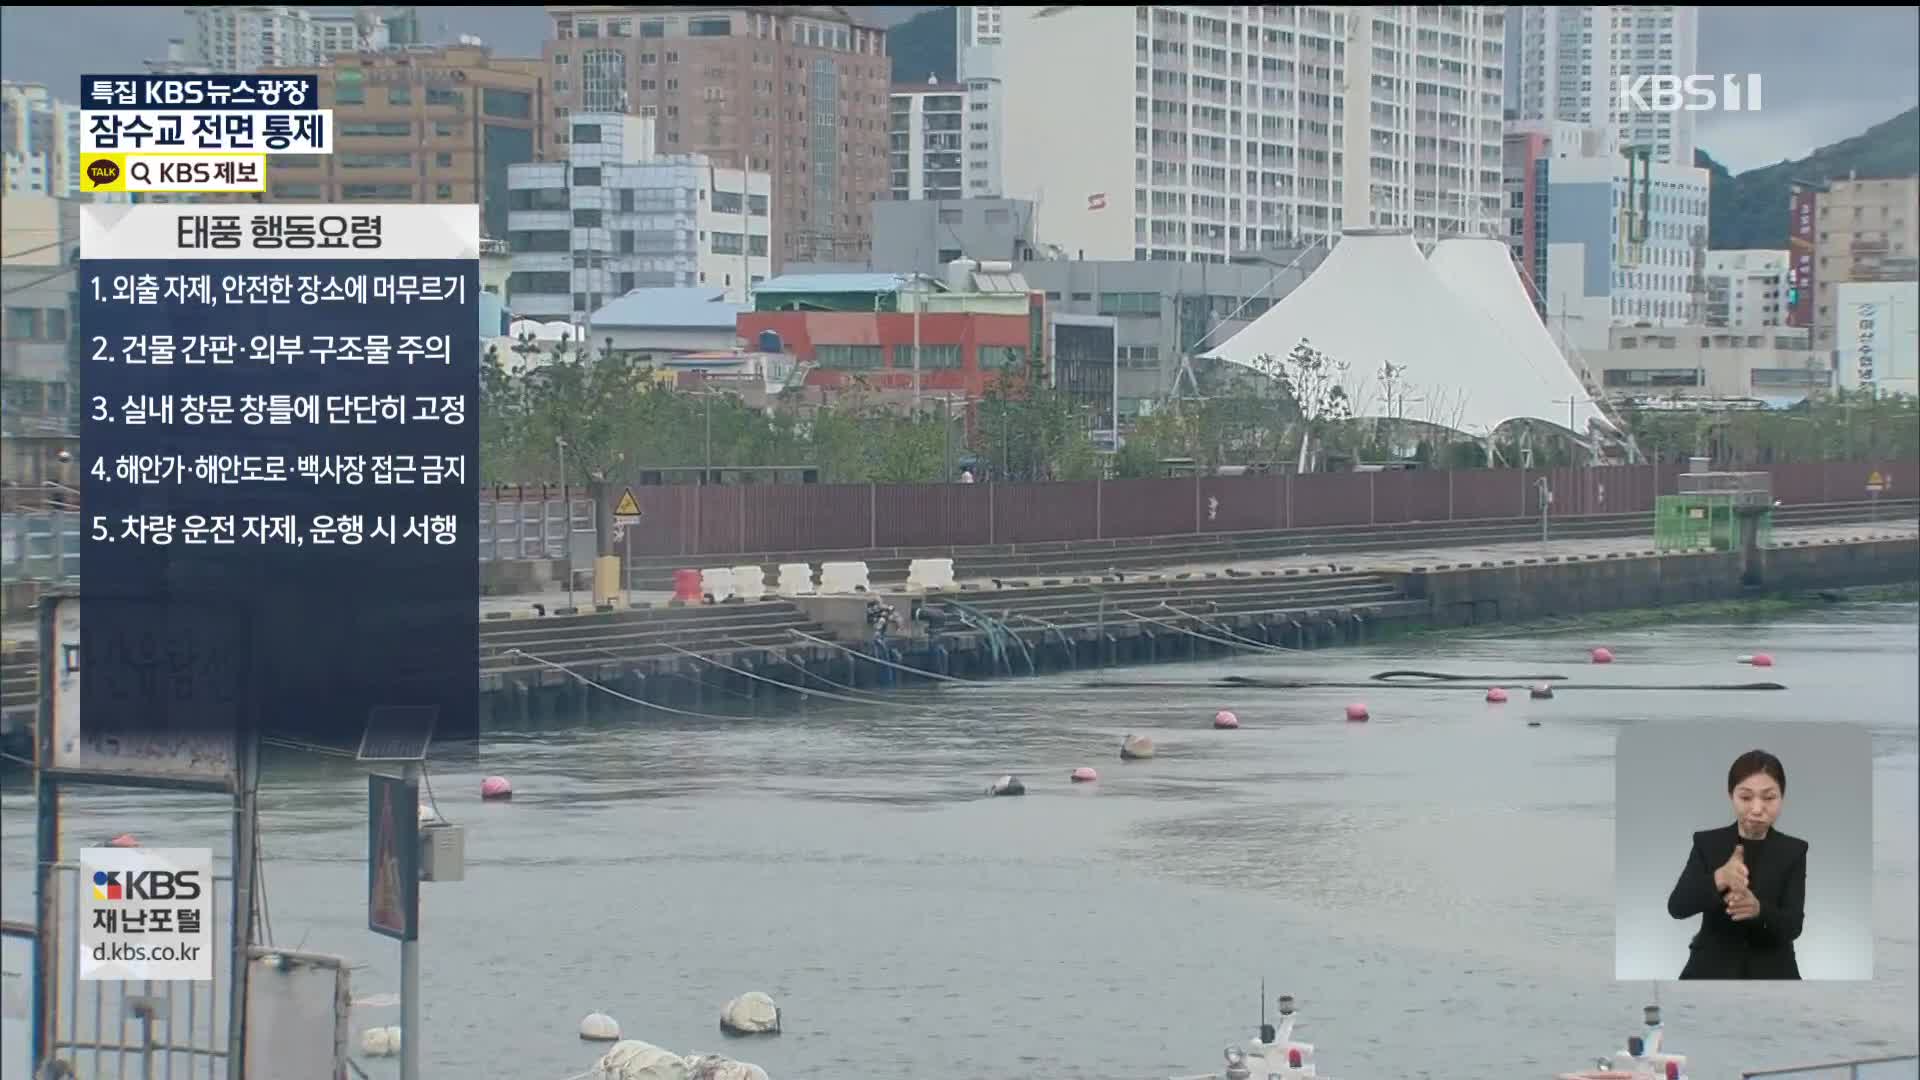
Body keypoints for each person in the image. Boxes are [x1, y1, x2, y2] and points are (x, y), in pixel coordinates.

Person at [1665, 749, 1807, 979]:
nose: (1757, 808)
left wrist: (1759, 910)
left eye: (1769, 797)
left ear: (1782, 797)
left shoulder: (1794, 850)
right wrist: (1719, 878)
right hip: (1709, 968)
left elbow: (1793, 926)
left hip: (1774, 971)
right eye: (1746, 797)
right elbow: (1677, 907)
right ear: (1731, 795)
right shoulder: (1707, 843)